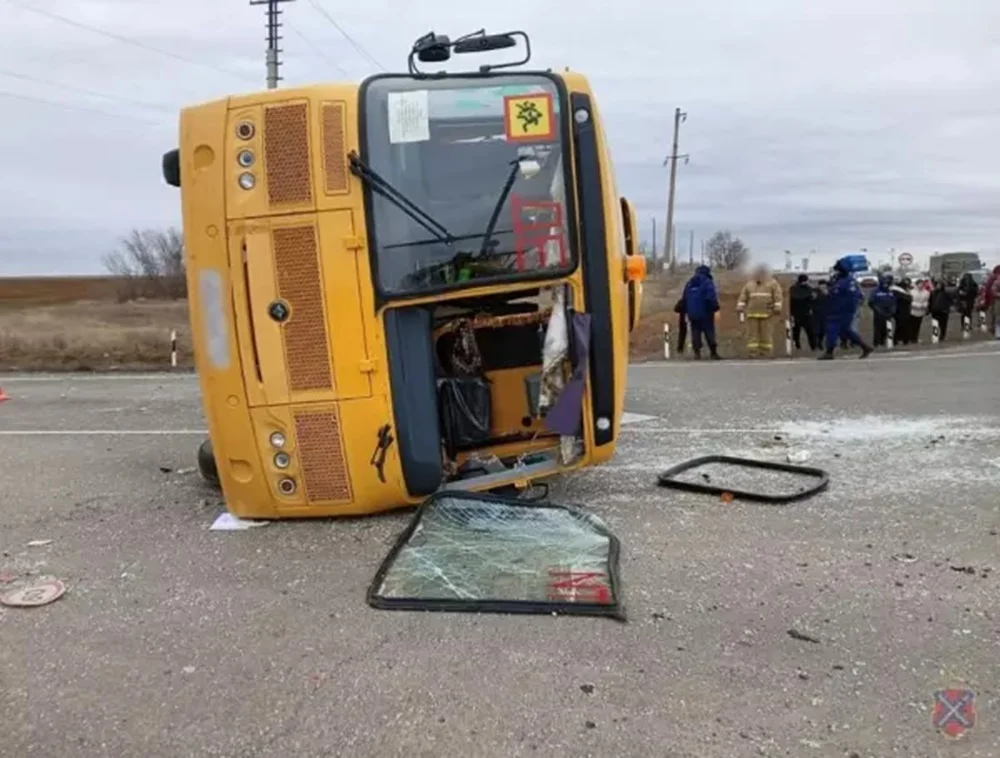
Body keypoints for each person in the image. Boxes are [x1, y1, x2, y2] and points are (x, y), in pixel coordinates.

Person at [818, 256, 873, 360]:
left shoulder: (849, 282)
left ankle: (829, 352)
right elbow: (833, 291)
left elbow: (852, 297)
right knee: (846, 331)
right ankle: (865, 347)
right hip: (834, 309)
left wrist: (849, 310)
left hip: (842, 311)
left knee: (832, 329)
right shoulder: (836, 280)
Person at [736, 264, 783, 357]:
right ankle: (752, 352)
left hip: (767, 313)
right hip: (752, 313)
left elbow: (778, 296)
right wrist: (740, 307)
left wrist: (777, 307)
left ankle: (766, 352)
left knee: (766, 333)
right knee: (752, 334)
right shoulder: (749, 284)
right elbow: (743, 297)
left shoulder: (773, 283)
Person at [681, 264, 721, 359]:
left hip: (692, 314)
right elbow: (711, 297)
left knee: (695, 332)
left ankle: (697, 353)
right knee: (709, 332)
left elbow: (684, 298)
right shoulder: (707, 282)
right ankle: (713, 353)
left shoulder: (690, 283)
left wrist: (686, 311)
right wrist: (716, 309)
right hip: (706, 313)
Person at [788, 274, 816, 351]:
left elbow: (790, 301)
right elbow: (812, 300)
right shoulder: (809, 289)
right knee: (810, 332)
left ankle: (797, 346)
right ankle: (813, 347)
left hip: (796, 314)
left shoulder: (792, 289)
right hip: (806, 314)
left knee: (796, 332)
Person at [867, 274, 896, 348]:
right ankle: (877, 343)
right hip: (878, 313)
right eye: (884, 283)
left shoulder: (889, 291)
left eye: (887, 283)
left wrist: (892, 310)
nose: (885, 284)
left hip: (888, 312)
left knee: (886, 329)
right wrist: (877, 309)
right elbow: (870, 302)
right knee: (878, 329)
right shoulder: (875, 291)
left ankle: (883, 342)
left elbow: (893, 301)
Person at [979, 264, 1000, 339]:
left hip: (993, 300)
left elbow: (988, 289)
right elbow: (991, 290)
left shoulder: (992, 278)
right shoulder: (996, 280)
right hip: (996, 300)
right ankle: (996, 331)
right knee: (997, 316)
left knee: (995, 316)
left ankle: (995, 330)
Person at [890, 277, 914, 345]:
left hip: (905, 310)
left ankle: (905, 340)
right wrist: (908, 297)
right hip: (899, 311)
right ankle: (896, 340)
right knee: (900, 326)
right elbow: (908, 299)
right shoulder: (896, 290)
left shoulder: (904, 290)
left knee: (906, 326)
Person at [811, 280, 830, 351]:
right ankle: (815, 343)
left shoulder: (828, 291)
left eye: (824, 285)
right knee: (816, 329)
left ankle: (820, 342)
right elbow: (812, 299)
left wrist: (827, 294)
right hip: (816, 312)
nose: (823, 287)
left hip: (825, 313)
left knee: (823, 330)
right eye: (821, 285)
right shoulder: (815, 291)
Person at [909, 278, 929, 344]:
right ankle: (911, 338)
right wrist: (917, 305)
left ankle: (915, 338)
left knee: (918, 326)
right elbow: (910, 302)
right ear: (916, 284)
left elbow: (926, 301)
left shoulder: (926, 292)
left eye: (922, 284)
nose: (921, 285)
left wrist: (924, 305)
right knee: (912, 326)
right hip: (913, 311)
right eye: (919, 284)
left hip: (921, 312)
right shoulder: (911, 292)